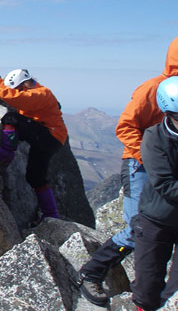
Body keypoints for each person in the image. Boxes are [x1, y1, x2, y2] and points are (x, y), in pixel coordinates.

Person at [78, 37, 178, 306]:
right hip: (142, 163)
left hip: (164, 164)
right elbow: (125, 127)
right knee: (140, 227)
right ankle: (92, 271)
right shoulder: (154, 89)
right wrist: (150, 157)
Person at [0, 67, 68, 222]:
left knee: (11, 118)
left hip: (49, 136)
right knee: (35, 177)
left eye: (18, 89)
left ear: (24, 85)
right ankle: (51, 215)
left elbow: (19, 100)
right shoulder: (32, 90)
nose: (17, 91)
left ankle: (5, 155)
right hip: (50, 138)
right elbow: (6, 88)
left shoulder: (41, 93)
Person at [131, 76, 178, 311]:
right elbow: (165, 183)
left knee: (175, 292)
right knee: (147, 288)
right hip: (156, 219)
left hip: (163, 217)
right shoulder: (154, 138)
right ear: (169, 113)